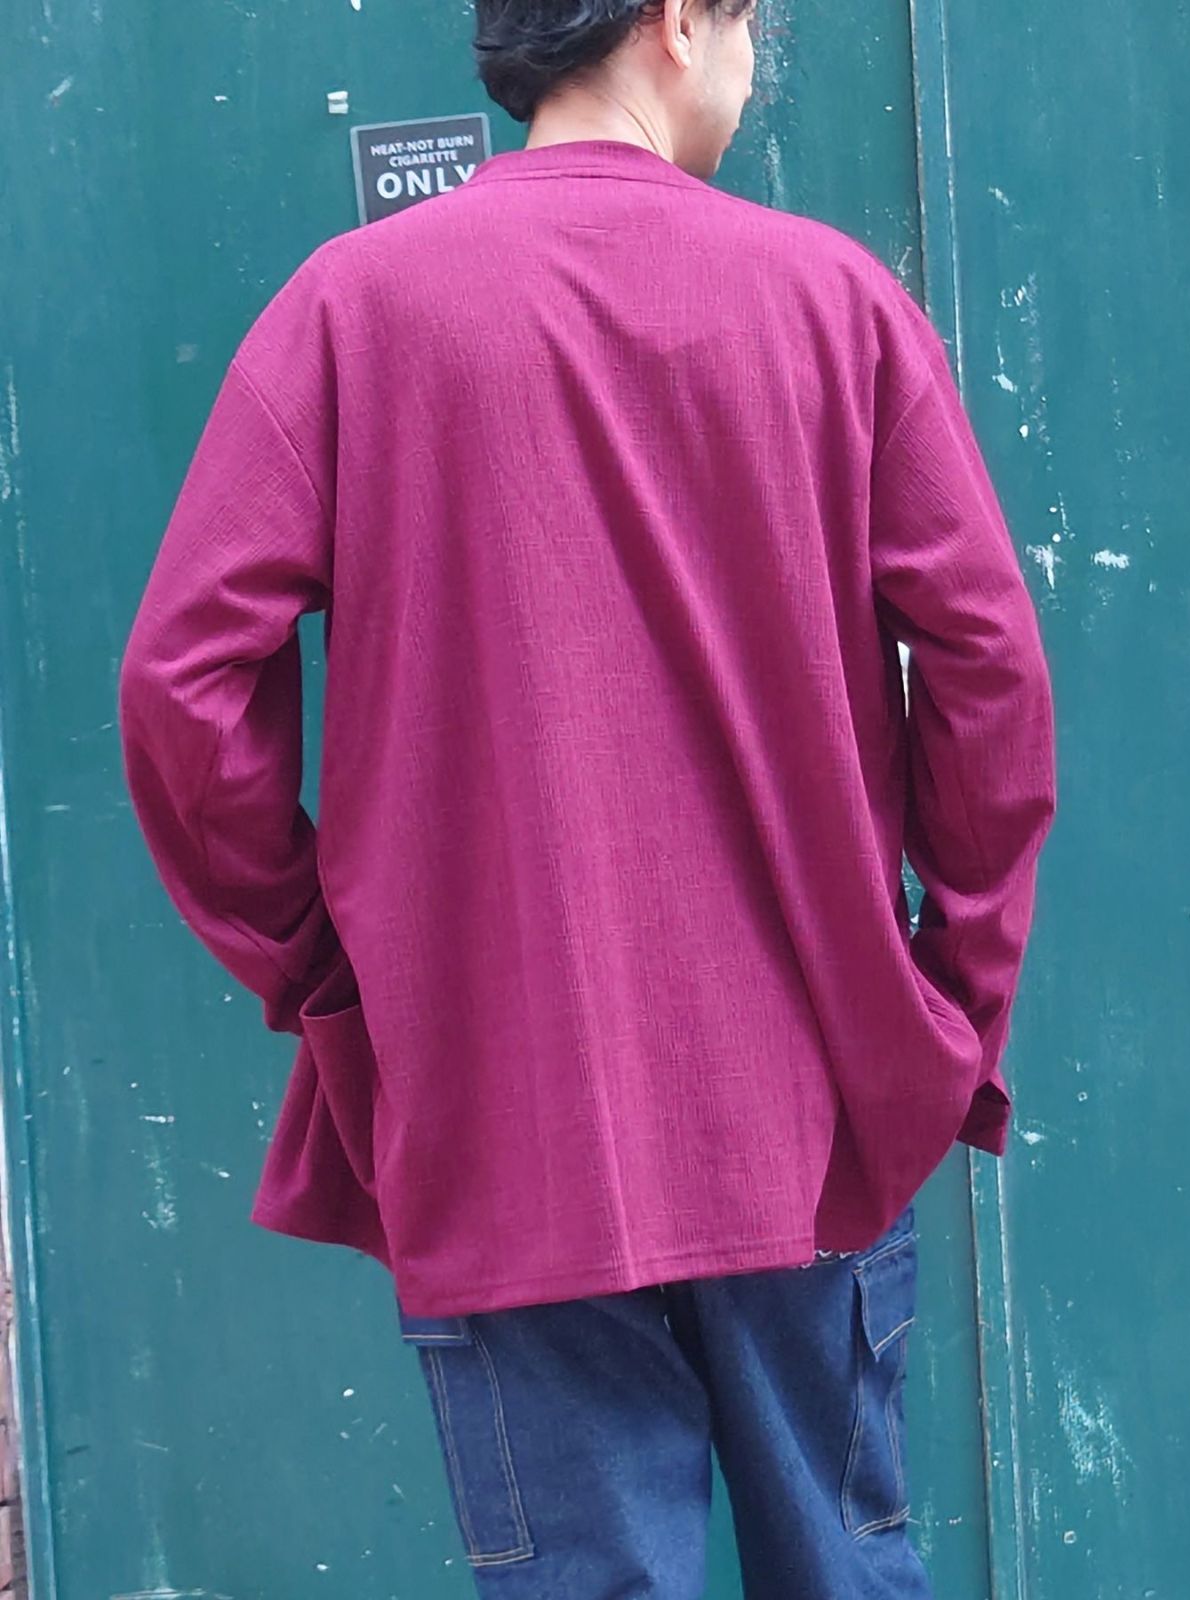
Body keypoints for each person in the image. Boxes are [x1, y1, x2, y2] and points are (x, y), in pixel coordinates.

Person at [118, 0, 1056, 1593]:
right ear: (679, 20)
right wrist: (950, 1000)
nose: (755, 65)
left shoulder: (352, 310)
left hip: (498, 1112)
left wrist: (330, 971)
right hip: (810, 1101)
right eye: (753, 24)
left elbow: (180, 686)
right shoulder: (834, 303)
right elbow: (989, 674)